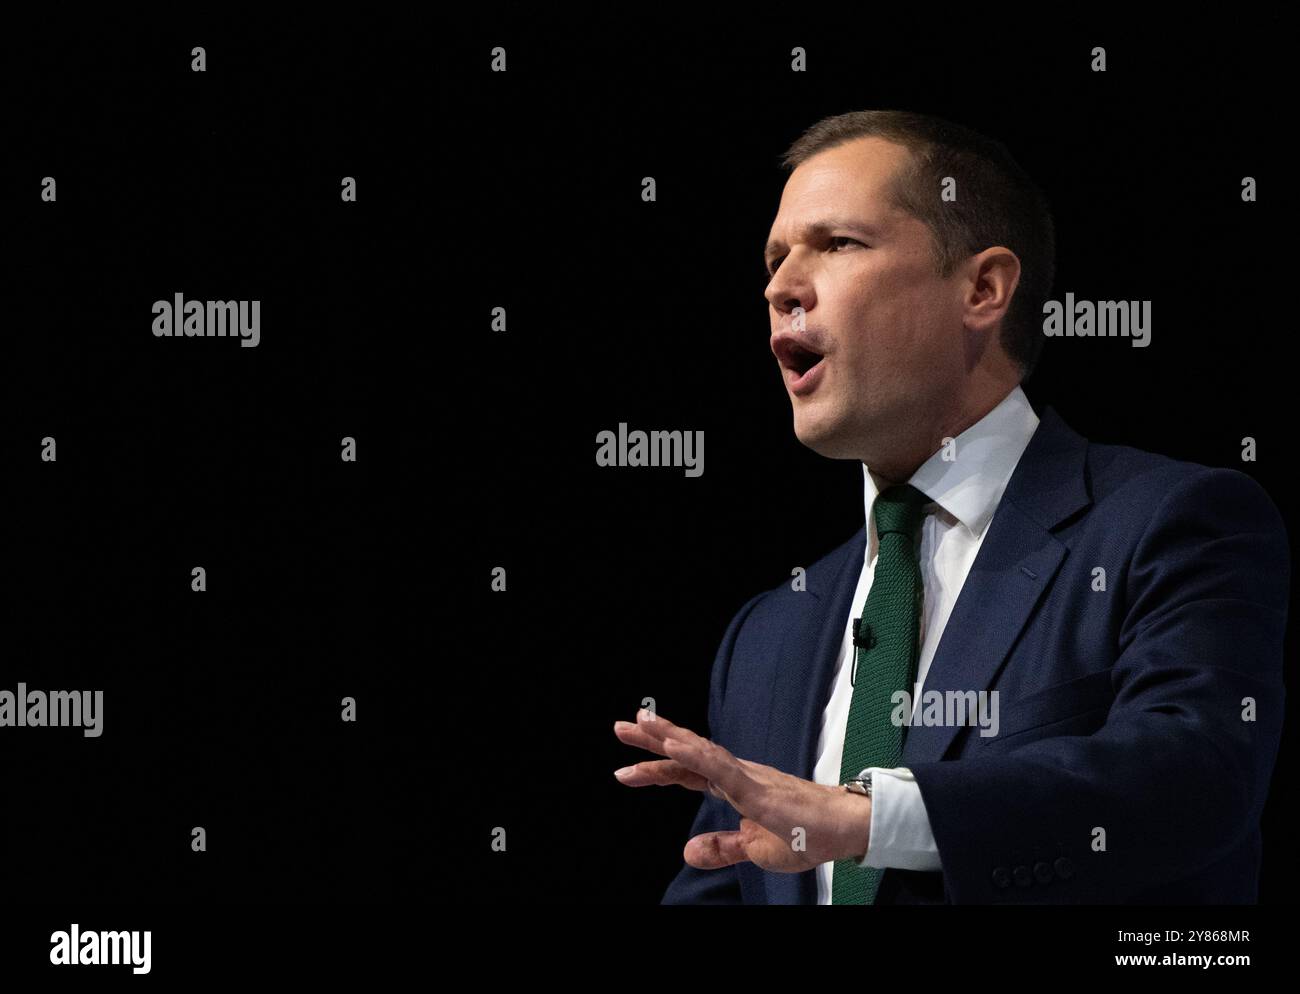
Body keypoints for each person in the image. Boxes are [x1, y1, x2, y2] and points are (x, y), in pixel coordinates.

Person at [611, 110, 1288, 904]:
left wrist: (870, 819)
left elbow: (1193, 779)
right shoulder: (767, 636)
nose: (780, 287)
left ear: (982, 288)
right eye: (774, 258)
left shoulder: (1168, 524)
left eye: (836, 244)